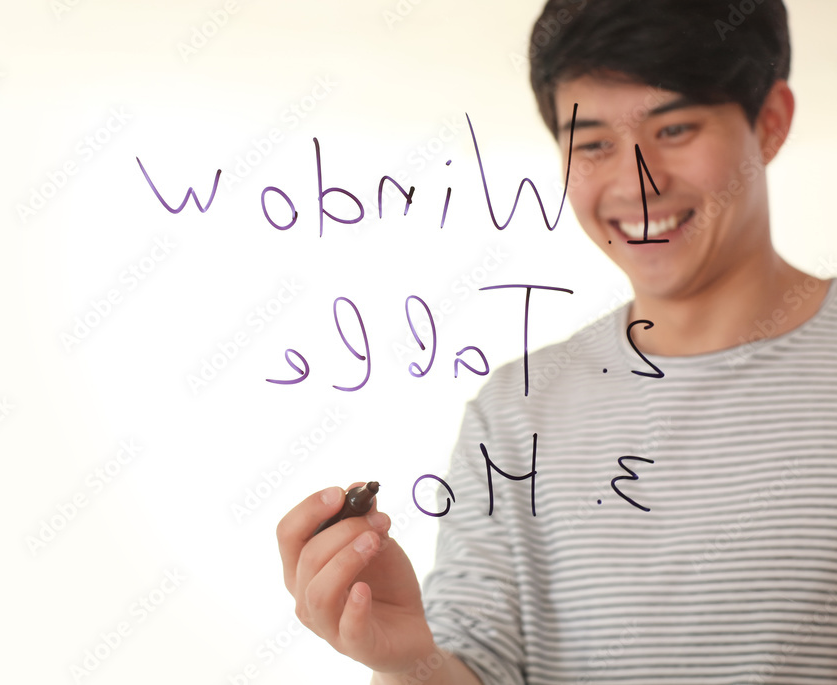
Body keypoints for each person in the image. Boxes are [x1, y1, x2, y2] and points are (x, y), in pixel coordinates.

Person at [277, 0, 837, 682]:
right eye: (594, 142)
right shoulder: (514, 414)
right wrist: (408, 658)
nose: (638, 179)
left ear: (771, 122)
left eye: (676, 127)